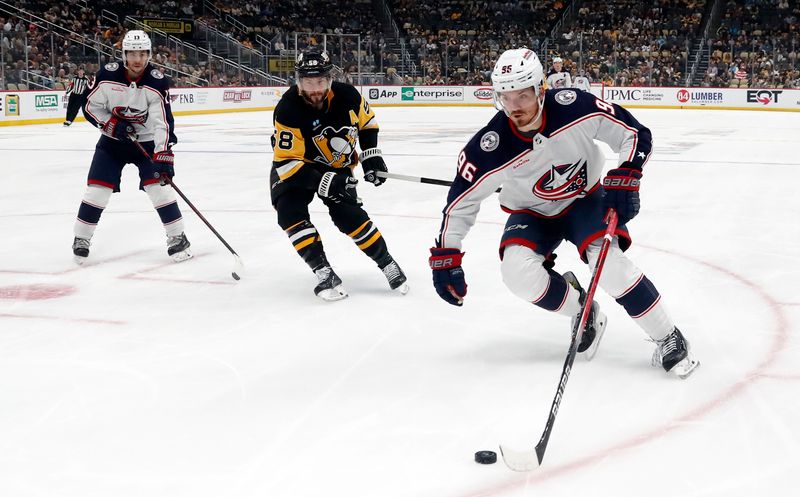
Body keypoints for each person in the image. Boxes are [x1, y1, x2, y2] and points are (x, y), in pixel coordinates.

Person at [428, 48, 699, 378]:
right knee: (517, 275)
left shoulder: (575, 106)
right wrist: (447, 255)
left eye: (523, 95)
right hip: (532, 211)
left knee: (610, 267)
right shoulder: (490, 145)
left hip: (585, 199)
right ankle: (583, 310)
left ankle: (668, 335)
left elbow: (634, 134)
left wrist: (629, 174)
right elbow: (460, 204)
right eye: (506, 97)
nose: (514, 107)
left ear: (541, 88)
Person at [270, 47, 408, 301]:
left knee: (350, 217)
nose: (314, 89)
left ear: (329, 79)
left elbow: (367, 124)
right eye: (308, 82)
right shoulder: (288, 107)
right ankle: (323, 271)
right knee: (289, 212)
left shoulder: (349, 97)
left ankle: (387, 263)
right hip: (299, 167)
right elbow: (286, 164)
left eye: (320, 81)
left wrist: (371, 157)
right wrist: (323, 181)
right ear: (299, 81)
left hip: (337, 166)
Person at [72, 30, 191, 264]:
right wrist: (111, 124)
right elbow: (90, 107)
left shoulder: (156, 81)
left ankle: (177, 237)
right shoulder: (107, 76)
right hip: (113, 143)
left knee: (159, 188)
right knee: (97, 191)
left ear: (149, 55)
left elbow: (162, 122)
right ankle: (81, 238)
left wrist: (163, 154)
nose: (138, 59)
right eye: (133, 53)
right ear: (123, 54)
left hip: (144, 143)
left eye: (143, 53)